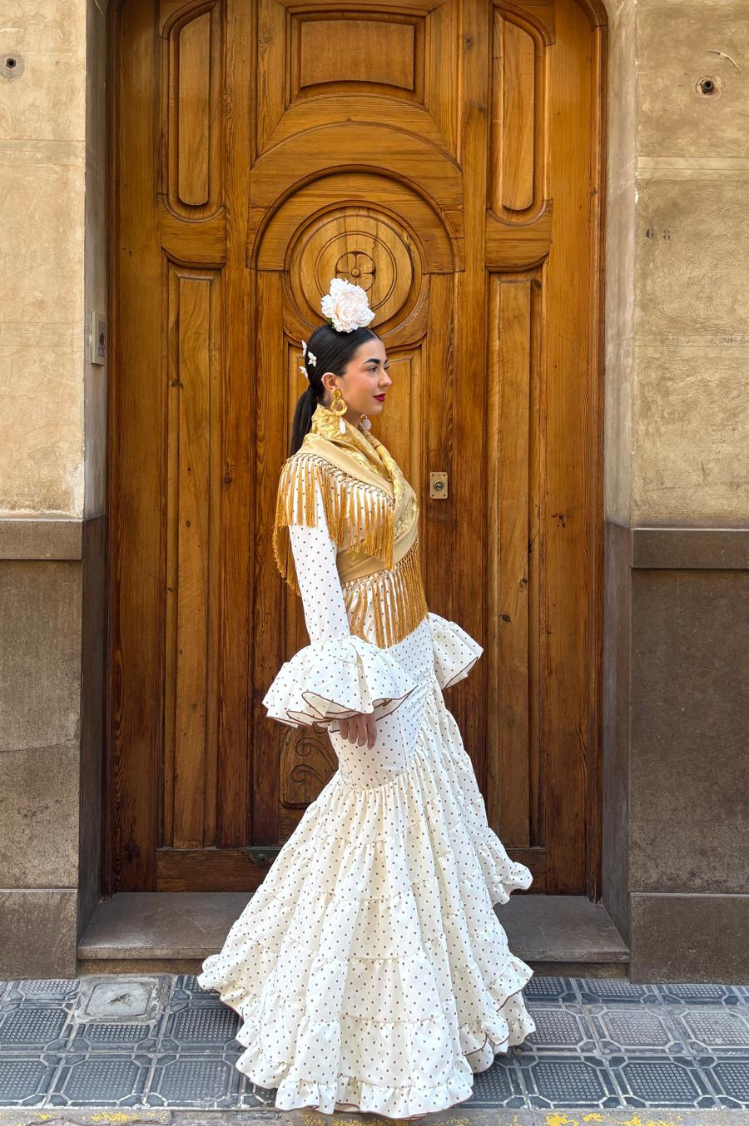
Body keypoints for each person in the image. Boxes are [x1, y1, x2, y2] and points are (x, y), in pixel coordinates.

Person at [197, 277, 537, 1118]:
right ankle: (346, 1018)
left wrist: (408, 658)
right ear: (331, 378)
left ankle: (413, 1001)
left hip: (409, 654)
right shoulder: (309, 471)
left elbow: (397, 561)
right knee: (376, 821)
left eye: (386, 366)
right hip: (366, 673)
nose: (386, 380)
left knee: (400, 820)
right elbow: (319, 594)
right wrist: (345, 691)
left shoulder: (370, 449)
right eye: (373, 367)